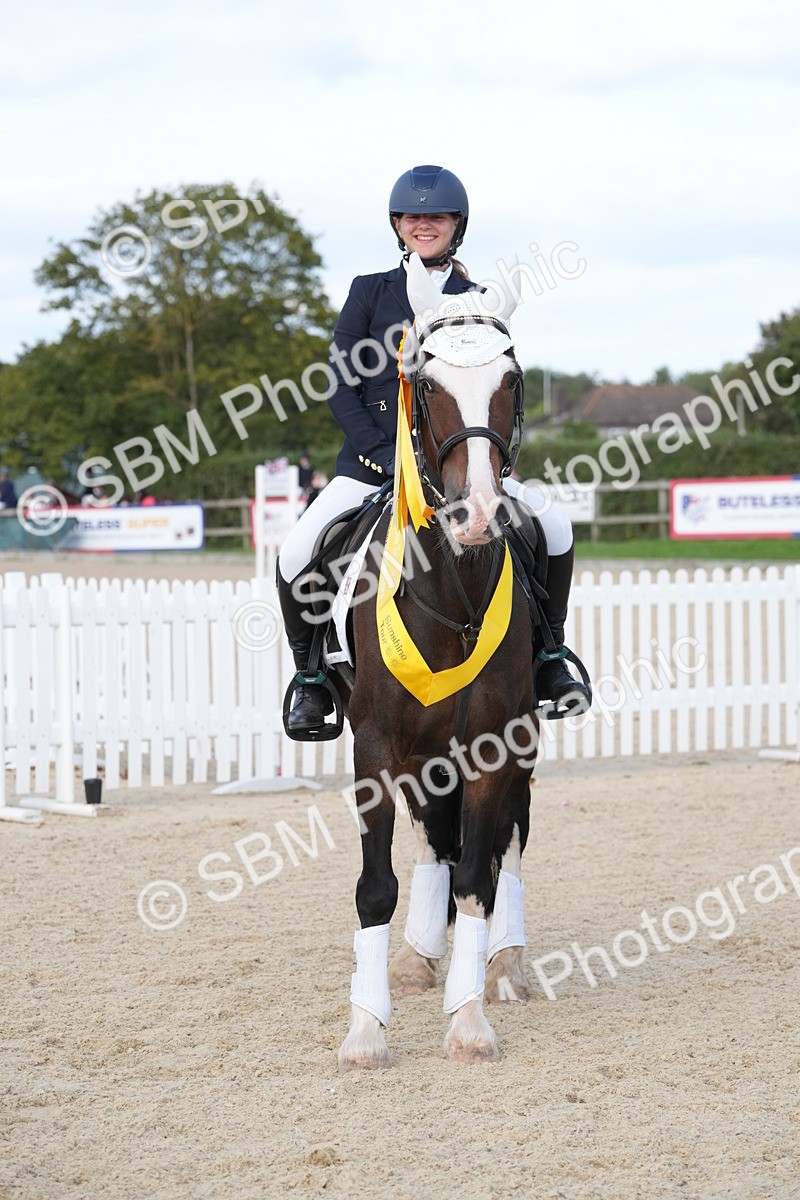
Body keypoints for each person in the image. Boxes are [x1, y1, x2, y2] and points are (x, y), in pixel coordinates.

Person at [277, 164, 590, 735]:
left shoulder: (480, 300)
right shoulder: (370, 292)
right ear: (398, 224)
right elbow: (340, 383)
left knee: (557, 526)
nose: (426, 225)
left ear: (456, 225)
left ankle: (549, 658)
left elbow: (498, 390)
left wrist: (495, 462)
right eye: (415, 216)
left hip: (462, 468)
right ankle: (313, 679)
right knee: (298, 549)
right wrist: (380, 455)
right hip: (370, 467)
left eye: (437, 216)